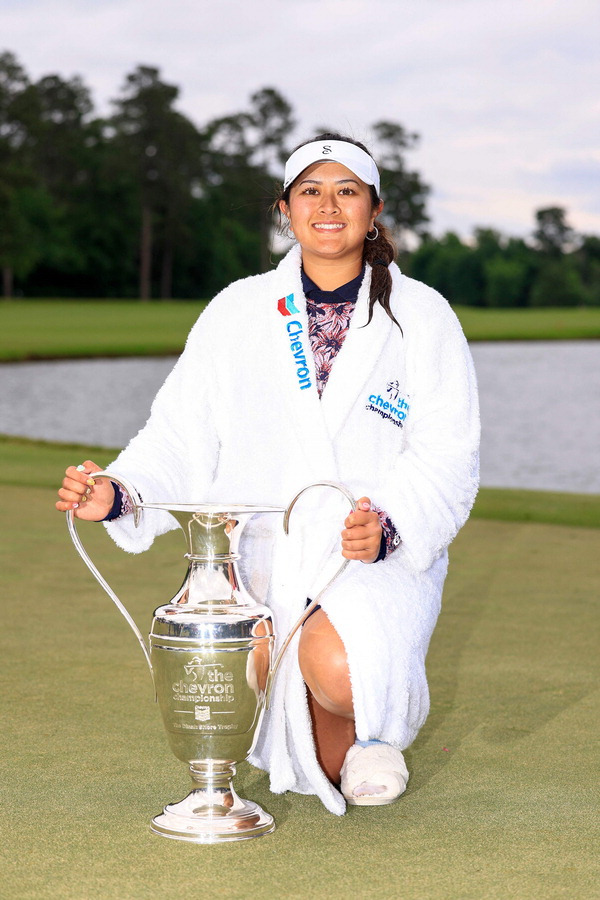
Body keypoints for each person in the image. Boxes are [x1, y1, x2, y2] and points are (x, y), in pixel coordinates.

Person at [56, 134, 480, 815]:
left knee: (341, 670)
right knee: (323, 758)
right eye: (311, 190)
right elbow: (180, 434)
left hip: (368, 556)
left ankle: (366, 724)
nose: (329, 205)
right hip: (260, 559)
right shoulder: (236, 311)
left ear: (375, 210)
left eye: (348, 190)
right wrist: (118, 493)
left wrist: (389, 525)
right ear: (286, 211)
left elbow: (448, 455)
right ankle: (345, 743)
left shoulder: (424, 318)